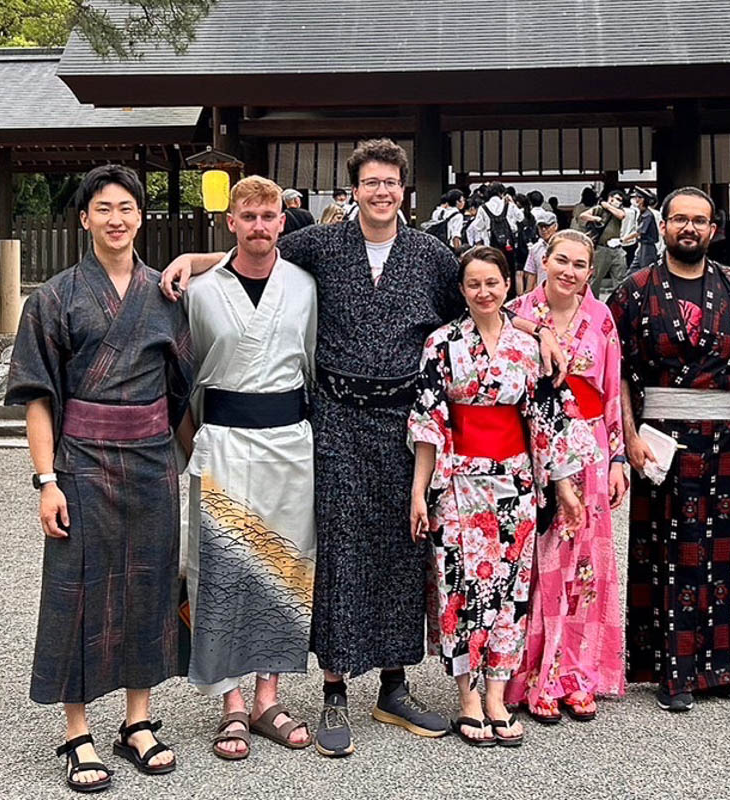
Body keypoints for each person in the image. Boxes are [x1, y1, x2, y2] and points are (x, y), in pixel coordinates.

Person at [158, 139, 567, 758]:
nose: (381, 192)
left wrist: (535, 328)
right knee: (341, 543)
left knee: (401, 545)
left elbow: (483, 304)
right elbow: (254, 253)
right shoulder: (322, 245)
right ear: (353, 191)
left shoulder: (430, 254)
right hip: (337, 417)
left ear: (405, 189)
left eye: (391, 183)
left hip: (404, 418)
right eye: (370, 182)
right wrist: (192, 255)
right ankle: (334, 685)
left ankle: (394, 683)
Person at [6, 165, 193, 792]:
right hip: (81, 460)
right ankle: (76, 730)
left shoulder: (166, 294)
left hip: (151, 461)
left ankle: (138, 721)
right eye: (104, 208)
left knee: (150, 585)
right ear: (83, 218)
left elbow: (181, 389)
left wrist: (181, 457)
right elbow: (38, 397)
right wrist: (45, 480)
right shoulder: (54, 297)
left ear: (142, 217)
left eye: (128, 208)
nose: (117, 219)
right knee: (76, 588)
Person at [409, 246, 590, 747]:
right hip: (458, 480)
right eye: (474, 284)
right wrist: (419, 492)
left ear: (508, 286)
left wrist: (564, 485)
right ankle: (467, 695)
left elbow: (547, 420)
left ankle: (496, 693)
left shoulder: (529, 346)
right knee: (460, 588)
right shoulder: (441, 343)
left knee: (510, 589)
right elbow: (429, 422)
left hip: (513, 481)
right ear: (462, 291)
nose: (484, 292)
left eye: (493, 283)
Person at [607, 187, 730, 713]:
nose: (689, 228)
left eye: (698, 221)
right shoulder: (634, 291)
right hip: (659, 439)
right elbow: (618, 373)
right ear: (662, 227)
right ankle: (670, 671)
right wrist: (628, 436)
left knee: (728, 555)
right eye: (678, 219)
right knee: (665, 555)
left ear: (713, 229)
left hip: (724, 436)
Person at [174, 175, 317, 760]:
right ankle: (230, 701)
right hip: (225, 437)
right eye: (248, 216)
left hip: (289, 438)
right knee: (222, 565)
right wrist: (192, 446)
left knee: (284, 565)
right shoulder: (198, 290)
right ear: (229, 222)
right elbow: (178, 380)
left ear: (284, 220)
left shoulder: (305, 285)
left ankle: (268, 695)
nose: (259, 226)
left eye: (269, 216)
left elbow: (313, 362)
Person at [506, 229, 627, 723]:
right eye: (561, 260)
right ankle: (529, 673)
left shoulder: (601, 318)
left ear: (589, 272)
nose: (569, 272)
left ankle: (578, 674)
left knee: (585, 567)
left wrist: (618, 457)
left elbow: (613, 388)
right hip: (533, 447)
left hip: (592, 446)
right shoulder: (516, 311)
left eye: (580, 264)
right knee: (538, 562)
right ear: (545, 260)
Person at [578, 189, 628, 298]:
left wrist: (608, 206)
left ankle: (618, 302)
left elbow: (621, 215)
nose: (617, 202)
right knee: (596, 278)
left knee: (620, 278)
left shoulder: (619, 211)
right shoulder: (599, 209)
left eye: (620, 200)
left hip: (616, 248)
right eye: (615, 199)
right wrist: (595, 218)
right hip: (602, 248)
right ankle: (592, 300)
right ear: (610, 198)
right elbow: (583, 215)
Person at [470, 181, 524, 259]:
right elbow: (521, 217)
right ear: (502, 193)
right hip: (508, 243)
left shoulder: (483, 208)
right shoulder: (509, 205)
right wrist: (512, 202)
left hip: (490, 244)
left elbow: (478, 226)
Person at [521, 212, 558, 294]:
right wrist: (528, 293)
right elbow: (531, 272)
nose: (544, 230)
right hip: (542, 293)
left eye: (547, 226)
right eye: (541, 227)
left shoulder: (564, 246)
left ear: (555, 226)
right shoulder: (535, 249)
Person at [630, 189, 662, 271]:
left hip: (648, 248)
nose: (635, 200)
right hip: (642, 246)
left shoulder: (648, 215)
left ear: (642, 200)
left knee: (646, 272)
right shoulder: (641, 213)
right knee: (633, 271)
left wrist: (623, 240)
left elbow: (639, 231)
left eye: (637, 197)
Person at [619, 189, 642, 268]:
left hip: (621, 238)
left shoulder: (619, 212)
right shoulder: (634, 211)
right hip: (631, 239)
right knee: (630, 262)